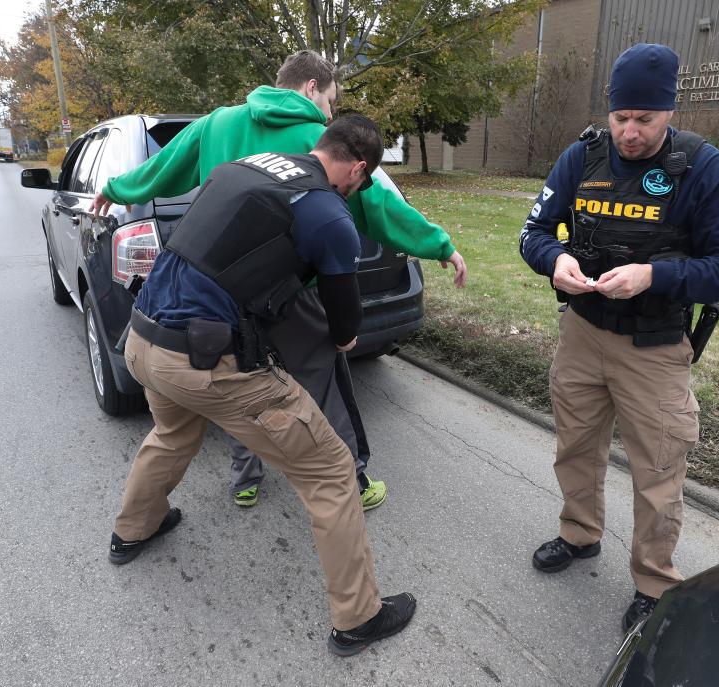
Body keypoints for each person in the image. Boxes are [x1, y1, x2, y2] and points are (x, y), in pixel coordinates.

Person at [92, 50, 467, 512]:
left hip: (225, 294)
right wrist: (439, 244)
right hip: (294, 293)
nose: (331, 112)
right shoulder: (322, 141)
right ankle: (352, 477)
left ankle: (246, 479)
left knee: (239, 378)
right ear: (312, 87)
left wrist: (115, 188)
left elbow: (161, 170)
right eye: (330, 100)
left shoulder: (217, 124)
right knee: (322, 378)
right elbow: (380, 207)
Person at [108, 114, 416, 656]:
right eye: (361, 183)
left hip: (142, 340)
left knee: (172, 434)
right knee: (331, 470)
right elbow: (344, 323)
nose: (356, 192)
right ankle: (359, 617)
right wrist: (341, 339)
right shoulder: (329, 213)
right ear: (359, 169)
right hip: (203, 361)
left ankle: (132, 530)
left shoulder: (244, 168)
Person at [518, 43, 719, 632]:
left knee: (658, 469)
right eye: (621, 117)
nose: (630, 132)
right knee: (575, 445)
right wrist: (554, 259)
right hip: (581, 333)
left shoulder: (707, 169)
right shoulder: (582, 157)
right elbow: (531, 232)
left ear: (669, 111)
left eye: (644, 120)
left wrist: (657, 275)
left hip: (653, 349)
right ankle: (579, 535)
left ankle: (654, 582)